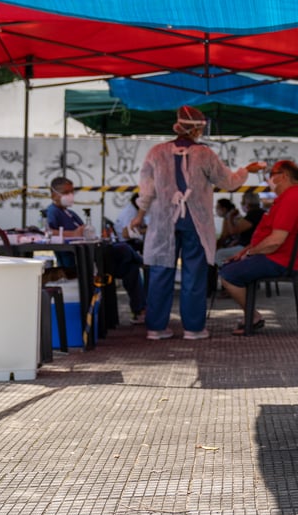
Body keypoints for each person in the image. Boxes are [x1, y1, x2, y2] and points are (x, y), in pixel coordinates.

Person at [131, 105, 265, 341]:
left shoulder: (155, 152)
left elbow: (147, 189)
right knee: (194, 274)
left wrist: (140, 215)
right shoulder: (205, 154)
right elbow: (230, 182)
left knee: (161, 272)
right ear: (195, 129)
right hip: (196, 223)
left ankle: (156, 328)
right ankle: (193, 328)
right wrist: (246, 170)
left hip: (164, 222)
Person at [218, 160, 298, 334]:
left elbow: (275, 241)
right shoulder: (286, 198)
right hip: (273, 256)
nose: (268, 179)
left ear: (283, 176)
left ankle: (253, 316)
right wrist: (243, 252)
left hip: (278, 260)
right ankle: (252, 315)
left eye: (271, 174)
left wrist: (250, 253)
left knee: (227, 275)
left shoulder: (291, 199)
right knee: (229, 266)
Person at [47, 177, 148, 323]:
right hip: (80, 262)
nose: (70, 195)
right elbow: (49, 232)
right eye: (65, 192)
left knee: (129, 267)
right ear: (54, 194)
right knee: (124, 248)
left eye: (71, 191)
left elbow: (85, 231)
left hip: (94, 256)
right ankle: (142, 261)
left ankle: (140, 310)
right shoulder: (53, 212)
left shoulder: (70, 214)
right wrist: (73, 234)